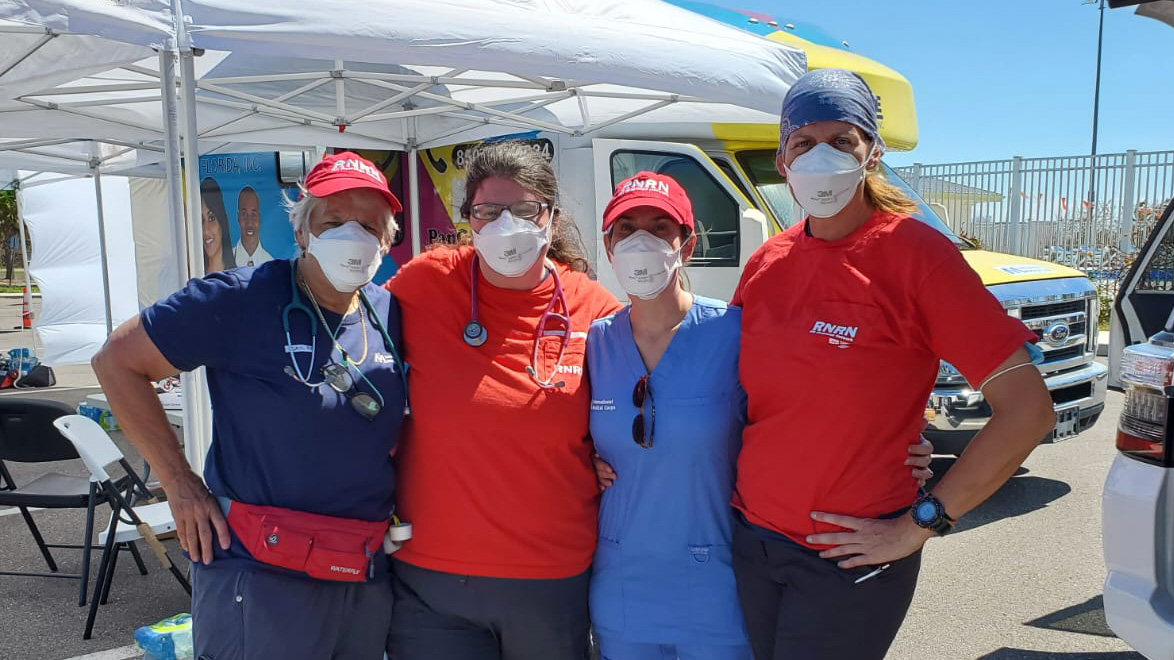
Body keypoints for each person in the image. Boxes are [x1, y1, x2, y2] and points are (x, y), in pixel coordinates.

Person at [729, 69, 1055, 660]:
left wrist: (922, 521)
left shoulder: (917, 255)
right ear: (782, 160)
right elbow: (739, 399)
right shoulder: (766, 263)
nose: (821, 157)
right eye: (804, 142)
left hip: (848, 560)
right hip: (751, 543)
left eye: (842, 141)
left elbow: (1028, 412)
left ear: (871, 154)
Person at [587, 172, 934, 660]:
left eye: (660, 227)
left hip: (718, 589)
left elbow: (812, 407)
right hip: (621, 590)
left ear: (687, 245)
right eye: (626, 229)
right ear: (607, 245)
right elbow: (549, 432)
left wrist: (902, 448)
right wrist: (580, 463)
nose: (641, 241)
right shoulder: (593, 345)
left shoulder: (734, 334)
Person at [92, 152, 408, 660]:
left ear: (388, 240)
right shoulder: (238, 299)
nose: (353, 236)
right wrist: (179, 484)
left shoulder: (390, 313)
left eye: (368, 225)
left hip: (361, 575)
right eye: (334, 221)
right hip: (262, 574)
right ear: (303, 231)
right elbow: (116, 363)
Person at [383, 141, 622, 660]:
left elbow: (634, 409)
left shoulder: (594, 308)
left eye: (524, 210)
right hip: (432, 581)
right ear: (467, 219)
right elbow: (355, 344)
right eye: (488, 212)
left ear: (552, 219)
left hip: (549, 580)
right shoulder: (424, 283)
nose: (506, 225)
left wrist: (612, 453)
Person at [200, 177, 237, 273]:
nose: (205, 230)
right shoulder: (192, 274)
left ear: (223, 221)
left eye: (211, 218)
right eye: (201, 220)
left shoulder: (237, 278)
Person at [233, 185, 273, 267]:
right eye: (244, 214)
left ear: (259, 217)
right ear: (238, 217)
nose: (249, 222)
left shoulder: (271, 265)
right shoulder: (224, 263)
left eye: (253, 215)